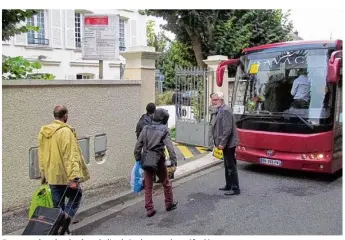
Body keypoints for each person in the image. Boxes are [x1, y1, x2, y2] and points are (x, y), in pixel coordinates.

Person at [38, 105, 90, 230]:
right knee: (76, 196)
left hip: (51, 174)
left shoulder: (44, 131)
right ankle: (65, 220)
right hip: (65, 176)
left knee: (58, 206)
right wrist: (73, 178)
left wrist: (43, 174)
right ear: (65, 115)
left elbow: (41, 154)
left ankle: (60, 230)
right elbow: (70, 155)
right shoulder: (66, 131)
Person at [134, 108, 178, 217]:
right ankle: (169, 203)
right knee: (166, 182)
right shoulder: (164, 129)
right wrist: (173, 160)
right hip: (159, 159)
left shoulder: (145, 129)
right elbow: (169, 146)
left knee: (148, 185)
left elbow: (138, 145)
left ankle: (149, 208)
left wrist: (138, 158)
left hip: (147, 159)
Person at [211, 92, 240, 196]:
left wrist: (222, 143)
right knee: (227, 165)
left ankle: (235, 188)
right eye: (212, 100)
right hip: (225, 142)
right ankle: (228, 185)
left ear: (221, 100)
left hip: (229, 143)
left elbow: (227, 129)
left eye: (215, 100)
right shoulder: (220, 110)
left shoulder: (225, 110)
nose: (213, 102)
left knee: (231, 165)